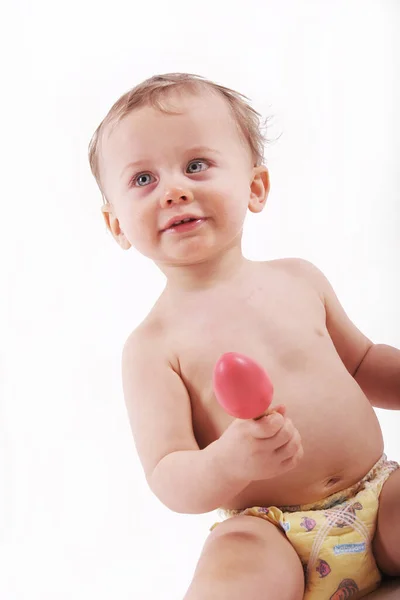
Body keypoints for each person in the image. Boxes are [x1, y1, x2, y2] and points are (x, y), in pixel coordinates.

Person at [88, 73, 400, 599]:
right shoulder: (152, 347)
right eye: (143, 180)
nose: (175, 190)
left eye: (196, 165)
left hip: (379, 493)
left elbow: (365, 364)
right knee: (234, 566)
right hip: (268, 530)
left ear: (255, 187)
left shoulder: (300, 278)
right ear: (116, 223)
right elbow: (169, 474)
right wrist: (229, 460)